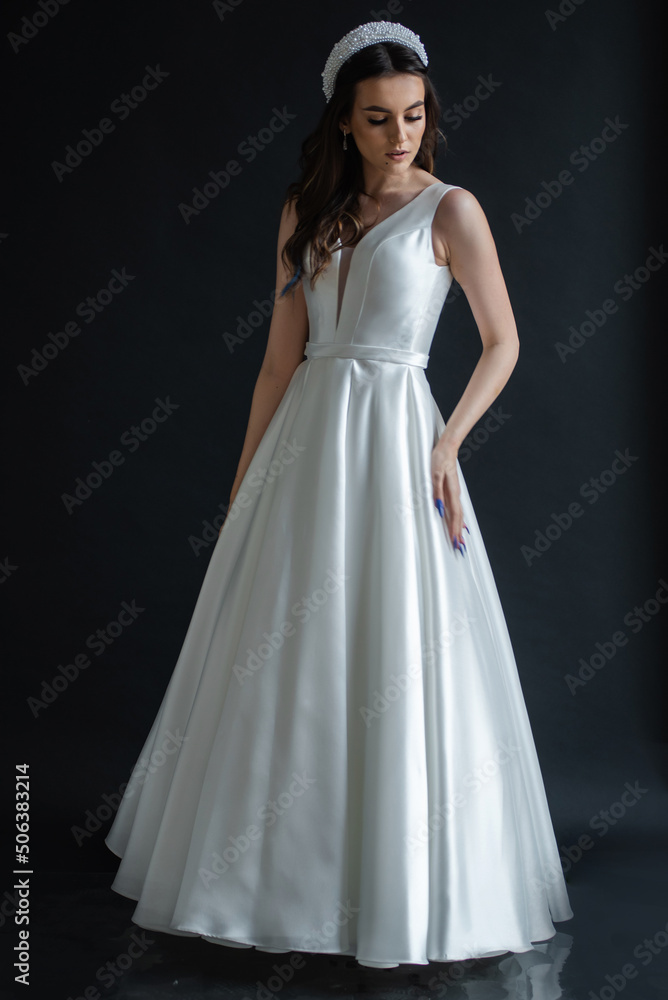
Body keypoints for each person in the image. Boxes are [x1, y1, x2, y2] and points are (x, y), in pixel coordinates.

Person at [105, 21, 574, 970]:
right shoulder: (303, 212)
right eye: (378, 118)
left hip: (401, 441)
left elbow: (504, 342)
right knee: (286, 655)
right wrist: (244, 479)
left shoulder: (453, 211)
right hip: (306, 448)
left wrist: (446, 442)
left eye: (414, 114)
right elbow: (279, 364)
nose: (402, 134)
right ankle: (274, 875)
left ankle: (398, 886)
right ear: (344, 123)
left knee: (395, 647)